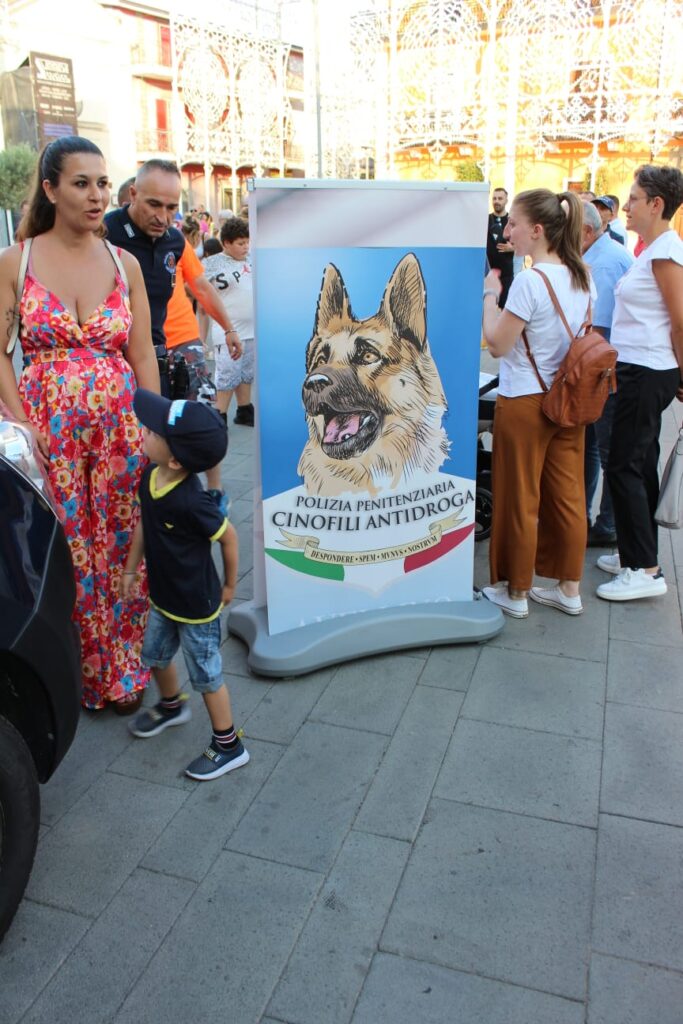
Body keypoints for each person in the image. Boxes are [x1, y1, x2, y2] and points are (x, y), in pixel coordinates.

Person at [0, 136, 160, 711]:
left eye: (101, 183)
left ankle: (124, 672)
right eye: (80, 184)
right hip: (49, 433)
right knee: (67, 552)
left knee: (121, 547)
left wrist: (154, 428)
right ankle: (82, 673)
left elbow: (142, 354)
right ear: (50, 189)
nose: (96, 196)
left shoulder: (126, 263)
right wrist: (20, 425)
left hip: (120, 429)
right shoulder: (17, 261)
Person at [121, 389, 249, 781]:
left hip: (197, 607)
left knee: (207, 676)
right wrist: (130, 569)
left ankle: (229, 745)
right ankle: (173, 705)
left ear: (175, 459)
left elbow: (228, 538)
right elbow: (144, 523)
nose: (146, 429)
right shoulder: (150, 476)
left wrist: (229, 587)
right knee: (155, 656)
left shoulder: (193, 503)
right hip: (162, 596)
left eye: (155, 431)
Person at [481, 189, 596, 618]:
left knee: (519, 495)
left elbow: (497, 344)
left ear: (537, 230)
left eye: (513, 223)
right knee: (568, 495)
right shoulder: (582, 275)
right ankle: (569, 588)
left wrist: (491, 296)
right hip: (568, 398)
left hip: (525, 400)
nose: (507, 230)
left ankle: (515, 591)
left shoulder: (531, 280)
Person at [596, 165, 683, 602]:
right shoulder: (652, 248)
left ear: (656, 204)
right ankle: (636, 552)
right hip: (638, 368)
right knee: (639, 462)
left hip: (648, 370)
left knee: (625, 465)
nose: (625, 206)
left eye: (633, 198)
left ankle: (646, 569)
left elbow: (680, 320)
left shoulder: (667, 251)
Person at [581, 201, 633, 546]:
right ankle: (584, 516)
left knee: (606, 448)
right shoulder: (599, 256)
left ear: (586, 231)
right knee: (593, 446)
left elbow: (598, 330)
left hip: (608, 372)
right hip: (604, 370)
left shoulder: (605, 261)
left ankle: (608, 526)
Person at [202, 217, 255, 425]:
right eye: (240, 243)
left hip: (252, 328)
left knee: (246, 373)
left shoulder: (252, 259)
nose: (245, 247)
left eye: (247, 242)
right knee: (227, 374)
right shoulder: (211, 264)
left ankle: (244, 410)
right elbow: (196, 291)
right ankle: (219, 414)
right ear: (226, 243)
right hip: (227, 328)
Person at [486, 187, 514, 307]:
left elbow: (524, 241)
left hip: (506, 276)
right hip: (488, 275)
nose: (496, 201)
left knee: (504, 309)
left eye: (500, 198)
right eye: (494, 198)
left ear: (506, 200)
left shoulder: (512, 221)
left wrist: (513, 248)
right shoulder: (486, 220)